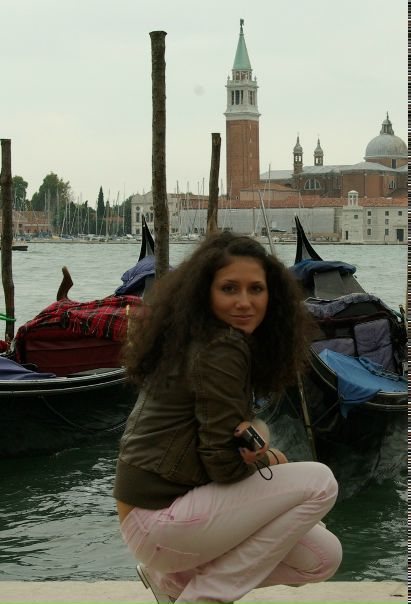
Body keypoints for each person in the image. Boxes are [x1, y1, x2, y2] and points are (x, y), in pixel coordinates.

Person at [114, 232, 342, 604]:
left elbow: (215, 445)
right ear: (205, 293)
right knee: (320, 483)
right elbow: (222, 465)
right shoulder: (222, 347)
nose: (244, 302)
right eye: (229, 289)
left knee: (322, 557)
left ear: (272, 295)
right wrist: (265, 461)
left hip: (159, 519)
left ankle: (171, 582)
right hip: (158, 519)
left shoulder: (199, 339)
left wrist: (259, 457)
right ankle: (205, 598)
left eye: (256, 289)